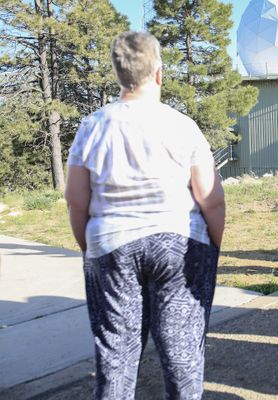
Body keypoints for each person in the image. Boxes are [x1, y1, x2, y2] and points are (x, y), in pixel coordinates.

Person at [64, 31, 225, 399]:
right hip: (179, 243)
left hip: (112, 243)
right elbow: (211, 199)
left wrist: (88, 247)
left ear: (119, 73)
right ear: (158, 73)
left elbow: (76, 200)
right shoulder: (183, 126)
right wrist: (212, 248)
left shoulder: (93, 126)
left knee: (116, 355)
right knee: (182, 354)